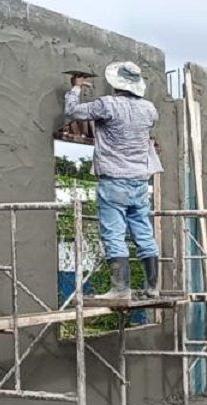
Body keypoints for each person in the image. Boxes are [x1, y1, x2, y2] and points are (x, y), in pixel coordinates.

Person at [66, 61, 163, 300]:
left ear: (116, 84)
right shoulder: (149, 109)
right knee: (143, 232)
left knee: (114, 234)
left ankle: (121, 289)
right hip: (140, 181)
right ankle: (153, 288)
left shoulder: (107, 105)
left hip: (114, 180)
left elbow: (73, 112)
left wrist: (76, 88)